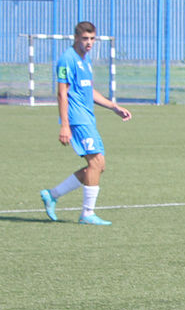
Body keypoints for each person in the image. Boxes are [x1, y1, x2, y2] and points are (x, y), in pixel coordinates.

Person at [39, 22, 131, 226]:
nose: (89, 43)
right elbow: (62, 94)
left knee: (98, 166)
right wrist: (64, 125)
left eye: (92, 39)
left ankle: (52, 195)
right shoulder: (67, 60)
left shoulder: (85, 60)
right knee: (96, 163)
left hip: (87, 117)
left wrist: (113, 107)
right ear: (76, 37)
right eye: (85, 39)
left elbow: (89, 90)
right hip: (76, 119)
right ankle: (87, 214)